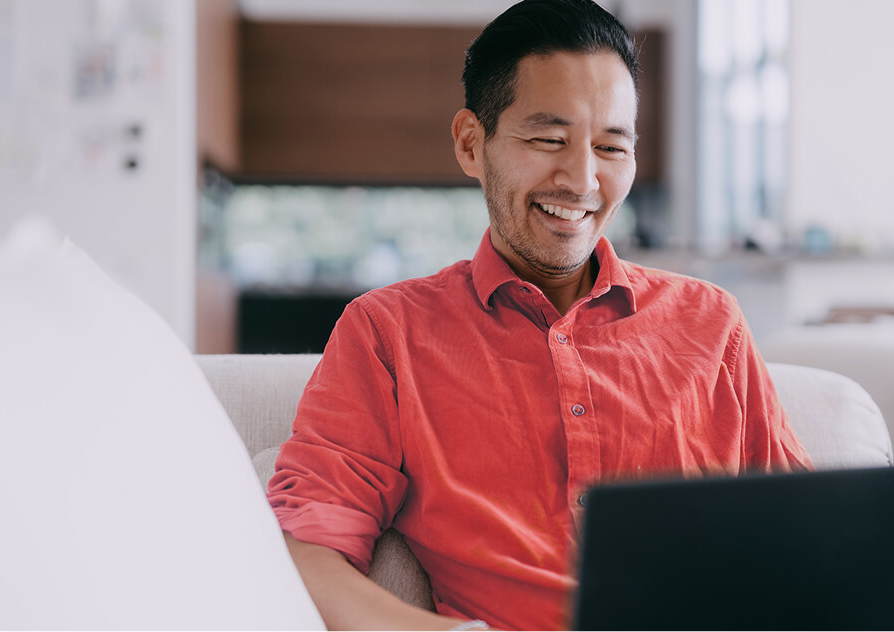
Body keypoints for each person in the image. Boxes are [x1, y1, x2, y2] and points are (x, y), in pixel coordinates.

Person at [266, 0, 812, 629]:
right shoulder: (389, 334)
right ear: (472, 144)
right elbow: (305, 547)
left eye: (611, 146)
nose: (582, 179)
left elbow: (805, 537)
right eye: (549, 139)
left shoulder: (712, 323)